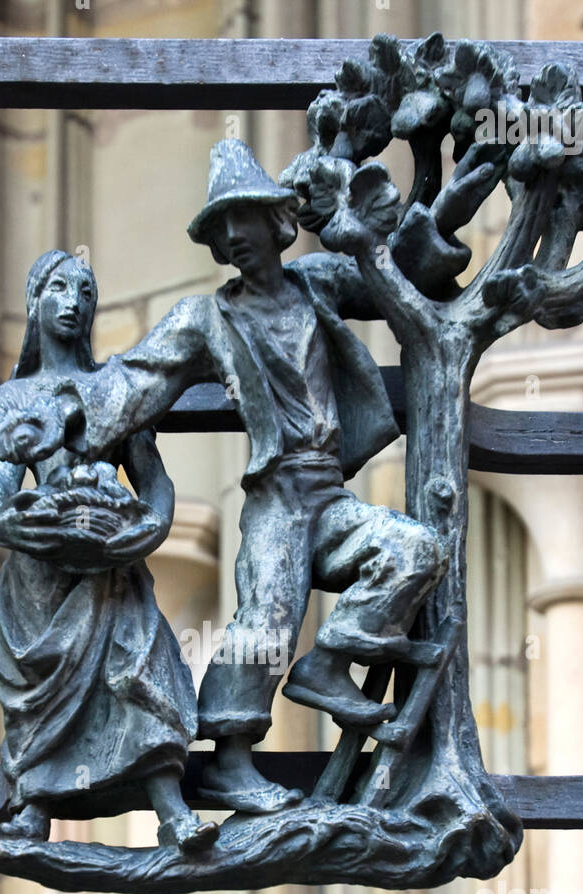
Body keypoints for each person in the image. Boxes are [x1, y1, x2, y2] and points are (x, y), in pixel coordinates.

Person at [67, 140, 445, 815]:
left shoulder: (316, 284)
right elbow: (137, 380)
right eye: (221, 229)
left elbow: (395, 273)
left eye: (243, 220)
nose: (234, 238)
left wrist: (439, 196)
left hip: (326, 492)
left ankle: (329, 664)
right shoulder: (207, 319)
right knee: (265, 621)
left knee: (413, 549)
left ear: (276, 224)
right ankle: (228, 766)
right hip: (277, 499)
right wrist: (69, 419)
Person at [0, 249, 217, 853]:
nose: (73, 302)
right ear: (34, 302)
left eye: (85, 292)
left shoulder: (113, 388)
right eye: (59, 288)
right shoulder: (13, 399)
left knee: (142, 670)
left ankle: (171, 810)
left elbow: (152, 480)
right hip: (40, 574)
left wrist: (151, 528)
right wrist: (5, 518)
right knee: (36, 692)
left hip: (111, 561)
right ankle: (35, 804)